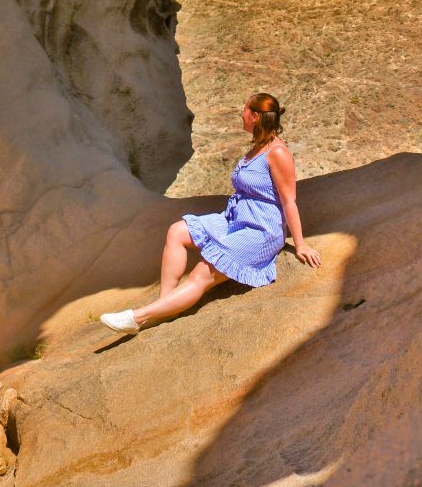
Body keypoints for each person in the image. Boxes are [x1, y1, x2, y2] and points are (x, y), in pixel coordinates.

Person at [100, 92, 322, 334]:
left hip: (260, 230)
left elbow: (289, 201)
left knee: (201, 273)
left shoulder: (277, 153)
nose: (241, 113)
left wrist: (300, 245)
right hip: (237, 220)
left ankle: (138, 317)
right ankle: (164, 307)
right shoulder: (259, 147)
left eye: (245, 109)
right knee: (177, 231)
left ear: (256, 116)